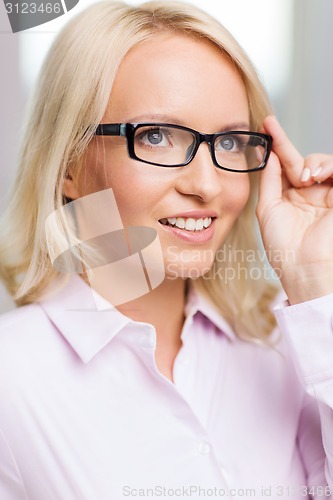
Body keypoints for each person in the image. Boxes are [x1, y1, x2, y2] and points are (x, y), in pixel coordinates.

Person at [0, 1, 333, 498]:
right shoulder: (13, 379)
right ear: (68, 164)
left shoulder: (292, 344)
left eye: (228, 142)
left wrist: (315, 281)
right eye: (156, 136)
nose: (207, 185)